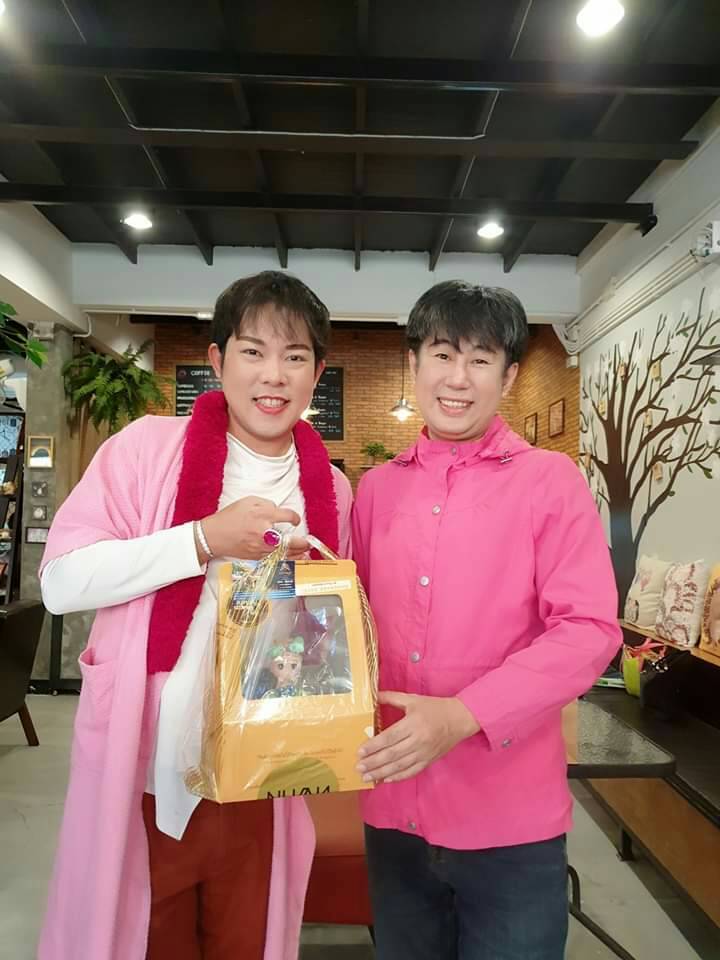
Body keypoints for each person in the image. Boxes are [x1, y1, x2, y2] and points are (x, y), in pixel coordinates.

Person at [38, 271, 352, 960]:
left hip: (262, 779)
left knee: (246, 942)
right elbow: (60, 581)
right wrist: (202, 540)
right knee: (144, 938)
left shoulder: (330, 488)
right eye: (252, 351)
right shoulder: (147, 450)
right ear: (217, 359)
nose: (273, 375)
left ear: (318, 371)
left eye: (295, 356)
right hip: (150, 768)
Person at [352, 280, 622, 960]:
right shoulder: (376, 490)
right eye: (443, 354)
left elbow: (589, 630)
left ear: (509, 376)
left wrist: (464, 714)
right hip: (393, 808)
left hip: (509, 822)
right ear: (414, 363)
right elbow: (349, 625)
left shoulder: (550, 482)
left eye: (480, 359)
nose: (458, 378)